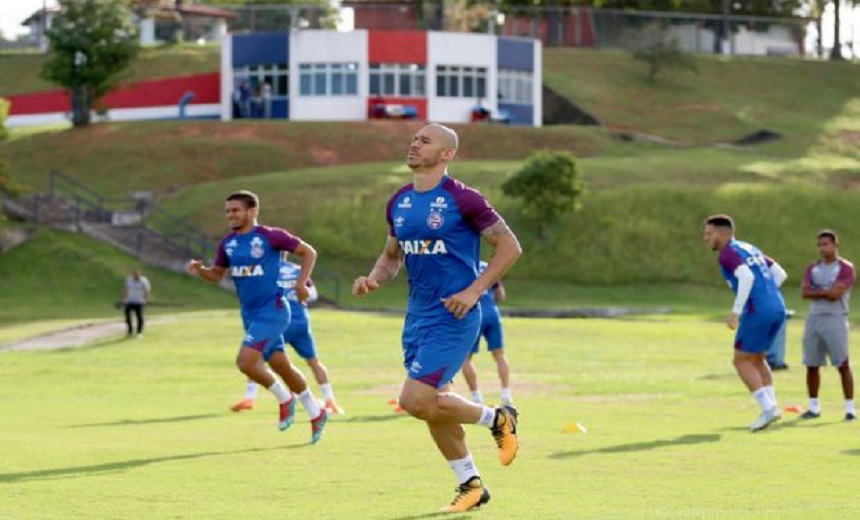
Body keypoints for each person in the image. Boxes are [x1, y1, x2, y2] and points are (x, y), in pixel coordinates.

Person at [352, 123, 522, 513]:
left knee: (415, 399)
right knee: (434, 406)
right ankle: (471, 484)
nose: (414, 144)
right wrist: (374, 279)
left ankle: (499, 419)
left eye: (425, 140)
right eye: (414, 139)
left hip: (454, 316)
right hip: (417, 317)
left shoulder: (465, 199)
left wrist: (474, 291)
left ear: (447, 154)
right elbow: (392, 256)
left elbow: (510, 247)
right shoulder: (399, 201)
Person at [186, 190, 329, 444]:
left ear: (252, 212)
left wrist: (300, 283)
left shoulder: (270, 236)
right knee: (281, 366)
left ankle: (285, 399)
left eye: (235, 210)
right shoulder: (228, 243)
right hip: (250, 315)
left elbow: (309, 252)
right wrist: (200, 270)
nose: (230, 215)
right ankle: (317, 412)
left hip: (273, 310)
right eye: (228, 211)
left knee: (246, 362)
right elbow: (217, 275)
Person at [703, 214, 787, 432]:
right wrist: (767, 295)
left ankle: (768, 409)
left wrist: (736, 312)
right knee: (757, 358)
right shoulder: (749, 248)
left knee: (741, 360)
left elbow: (747, 277)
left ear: (723, 234)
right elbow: (780, 273)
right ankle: (773, 407)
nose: (706, 238)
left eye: (709, 233)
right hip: (777, 307)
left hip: (757, 311)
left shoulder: (727, 254)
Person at [231, 257, 346, 415]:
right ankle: (330, 401)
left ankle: (250, 398)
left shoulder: (264, 270)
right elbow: (313, 295)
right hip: (301, 322)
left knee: (255, 359)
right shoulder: (298, 269)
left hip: (279, 321)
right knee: (314, 362)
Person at [799, 230, 856, 422]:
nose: (823, 248)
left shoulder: (845, 268)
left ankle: (850, 408)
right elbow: (804, 292)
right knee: (812, 363)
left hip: (836, 318)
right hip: (814, 318)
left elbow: (835, 294)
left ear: (835, 245)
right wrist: (824, 291)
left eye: (826, 244)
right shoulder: (812, 268)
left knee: (842, 363)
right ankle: (813, 406)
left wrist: (818, 290)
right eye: (820, 245)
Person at [460, 260, 513, 407]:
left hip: (474, 315)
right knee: (499, 355)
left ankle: (476, 398)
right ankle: (506, 395)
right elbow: (500, 295)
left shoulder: (462, 265)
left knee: (466, 357)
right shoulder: (487, 266)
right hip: (493, 314)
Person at [122, 269, 151, 338]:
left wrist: (145, 300)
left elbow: (147, 290)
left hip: (139, 301)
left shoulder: (144, 280)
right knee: (127, 316)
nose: (135, 277)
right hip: (130, 301)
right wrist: (125, 299)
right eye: (134, 276)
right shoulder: (129, 280)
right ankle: (130, 332)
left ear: (139, 275)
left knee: (139, 317)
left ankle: (139, 332)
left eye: (137, 276)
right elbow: (126, 288)